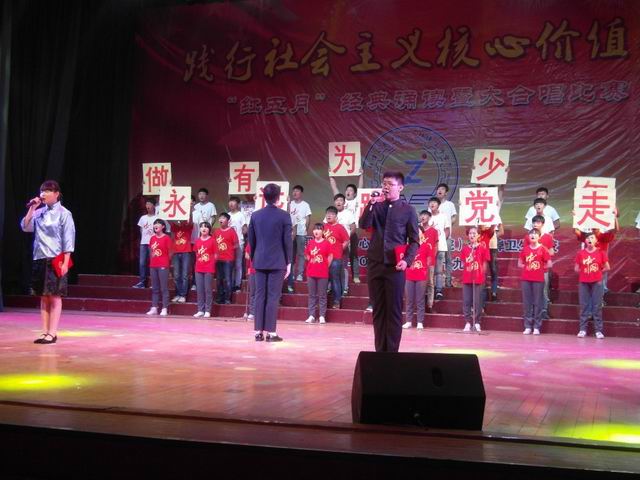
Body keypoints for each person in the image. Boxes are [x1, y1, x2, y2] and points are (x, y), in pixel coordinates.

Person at [359, 171, 419, 352]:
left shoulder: (408, 210)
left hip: (395, 267)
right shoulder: (376, 206)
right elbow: (363, 224)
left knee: (393, 311)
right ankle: (380, 353)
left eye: (390, 184)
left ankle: (391, 354)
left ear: (400, 187)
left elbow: (414, 241)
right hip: (375, 264)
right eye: (384, 183)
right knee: (378, 310)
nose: (386, 187)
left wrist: (407, 261)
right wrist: (371, 203)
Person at [21, 180, 76, 344]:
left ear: (56, 194)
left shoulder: (64, 213)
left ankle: (53, 332)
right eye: (42, 191)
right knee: (43, 296)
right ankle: (44, 331)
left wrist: (66, 262)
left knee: (55, 296)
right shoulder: (39, 212)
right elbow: (25, 227)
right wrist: (32, 208)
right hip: (39, 257)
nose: (43, 194)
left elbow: (68, 238)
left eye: (47, 191)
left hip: (57, 258)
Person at [248, 183, 292, 342]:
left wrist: (254, 258)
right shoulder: (284, 215)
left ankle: (258, 332)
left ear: (264, 196)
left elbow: (251, 241)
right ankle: (271, 333)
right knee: (273, 296)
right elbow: (287, 241)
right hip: (277, 260)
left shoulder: (255, 215)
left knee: (259, 295)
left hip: (259, 260)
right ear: (278, 197)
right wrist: (289, 261)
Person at [573, 208, 619, 295]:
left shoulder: (603, 236)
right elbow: (576, 231)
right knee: (587, 288)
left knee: (599, 286)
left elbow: (615, 230)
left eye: (596, 225)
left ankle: (601, 298)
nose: (594, 227)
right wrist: (575, 217)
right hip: (587, 265)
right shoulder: (587, 236)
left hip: (600, 265)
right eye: (592, 225)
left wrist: (615, 217)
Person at [330, 171, 363, 284]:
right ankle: (337, 278)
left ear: (354, 193)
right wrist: (331, 175)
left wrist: (361, 175)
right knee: (338, 255)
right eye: (347, 190)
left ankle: (356, 276)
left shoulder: (355, 201)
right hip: (339, 235)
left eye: (350, 190)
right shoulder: (341, 201)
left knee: (353, 254)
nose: (348, 192)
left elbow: (360, 187)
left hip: (352, 232)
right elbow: (334, 188)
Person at [575, 232, 610, 339]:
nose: (589, 239)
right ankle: (582, 329)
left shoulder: (601, 252)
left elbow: (607, 267)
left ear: (596, 241)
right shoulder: (580, 253)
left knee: (597, 305)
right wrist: (585, 272)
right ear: (585, 241)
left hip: (597, 282)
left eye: (592, 238)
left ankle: (598, 330)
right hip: (584, 282)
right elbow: (576, 268)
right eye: (587, 238)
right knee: (584, 305)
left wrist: (597, 272)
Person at [518, 229, 552, 335]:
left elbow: (549, 264)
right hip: (526, 279)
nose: (533, 236)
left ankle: (537, 326)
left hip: (538, 279)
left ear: (539, 237)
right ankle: (528, 326)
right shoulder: (525, 249)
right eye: (531, 234)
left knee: (538, 302)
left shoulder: (543, 249)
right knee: (527, 302)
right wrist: (527, 267)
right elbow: (519, 263)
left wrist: (540, 268)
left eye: (535, 234)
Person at [460, 226, 490, 332]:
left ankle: (477, 322)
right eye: (470, 233)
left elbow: (485, 264)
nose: (472, 235)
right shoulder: (465, 249)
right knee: (467, 301)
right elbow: (464, 263)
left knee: (478, 301)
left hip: (479, 278)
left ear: (478, 236)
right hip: (467, 278)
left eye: (474, 233)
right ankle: (468, 322)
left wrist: (482, 275)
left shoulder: (482, 248)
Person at [527, 215, 555, 319]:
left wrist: (542, 250)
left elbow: (552, 252)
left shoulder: (547, 237)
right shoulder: (528, 236)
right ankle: (531, 311)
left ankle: (544, 310)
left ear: (542, 224)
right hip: (531, 269)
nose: (535, 224)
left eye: (538, 223)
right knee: (531, 291)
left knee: (543, 290)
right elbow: (525, 252)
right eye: (534, 222)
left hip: (543, 269)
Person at [399, 236, 430, 330]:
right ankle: (408, 321)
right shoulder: (408, 247)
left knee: (420, 299)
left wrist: (424, 271)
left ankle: (420, 322)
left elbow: (429, 261)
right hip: (409, 275)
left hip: (421, 276)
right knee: (409, 299)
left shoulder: (426, 246)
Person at [304, 223, 333, 324]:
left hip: (323, 273)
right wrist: (311, 261)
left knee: (322, 295)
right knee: (312, 295)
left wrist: (324, 265)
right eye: (315, 229)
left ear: (323, 231)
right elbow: (307, 254)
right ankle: (311, 315)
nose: (316, 231)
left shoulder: (327, 243)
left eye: (319, 229)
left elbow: (330, 256)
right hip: (311, 272)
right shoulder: (311, 243)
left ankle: (321, 316)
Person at [324, 206, 350, 308]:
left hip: (336, 258)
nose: (329, 216)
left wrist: (340, 249)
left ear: (336, 216)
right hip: (324, 259)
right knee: (323, 281)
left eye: (331, 214)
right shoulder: (323, 227)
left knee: (335, 279)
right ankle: (322, 302)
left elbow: (346, 240)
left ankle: (336, 302)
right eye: (327, 214)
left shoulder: (340, 227)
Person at [287, 185, 312, 291]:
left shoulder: (305, 205)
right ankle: (291, 274)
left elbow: (308, 218)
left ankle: (300, 274)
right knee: (291, 255)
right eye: (294, 191)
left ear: (301, 193)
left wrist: (305, 229)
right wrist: (287, 203)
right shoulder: (290, 204)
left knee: (301, 254)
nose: (295, 193)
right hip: (290, 233)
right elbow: (286, 214)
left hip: (301, 232)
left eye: (297, 191)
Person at [147, 219, 171, 316]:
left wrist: (166, 263)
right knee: (155, 288)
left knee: (164, 287)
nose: (155, 225)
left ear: (163, 226)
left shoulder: (166, 238)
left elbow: (171, 252)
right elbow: (151, 251)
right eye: (154, 224)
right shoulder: (152, 238)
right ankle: (154, 307)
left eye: (158, 224)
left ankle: (165, 308)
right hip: (153, 265)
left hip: (163, 265)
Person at [428, 197, 451, 300]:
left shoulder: (443, 216)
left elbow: (447, 230)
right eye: (430, 203)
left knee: (438, 270)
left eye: (434, 202)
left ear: (438, 205)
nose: (432, 204)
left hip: (441, 246)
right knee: (429, 270)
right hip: (429, 248)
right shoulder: (427, 217)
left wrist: (441, 239)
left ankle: (439, 290)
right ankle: (430, 290)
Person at [213, 212, 238, 305]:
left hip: (228, 259)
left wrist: (228, 249)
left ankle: (227, 298)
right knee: (219, 279)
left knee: (227, 279)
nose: (221, 219)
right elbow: (213, 244)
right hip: (218, 259)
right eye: (220, 218)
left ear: (228, 221)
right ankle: (220, 297)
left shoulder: (232, 231)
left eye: (223, 218)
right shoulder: (216, 232)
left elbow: (236, 245)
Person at [193, 222, 217, 318]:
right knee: (200, 290)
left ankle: (207, 310)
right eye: (202, 227)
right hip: (199, 268)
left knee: (208, 290)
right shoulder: (197, 241)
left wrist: (211, 263)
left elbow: (216, 254)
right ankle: (200, 310)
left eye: (206, 227)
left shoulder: (212, 240)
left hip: (209, 268)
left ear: (209, 230)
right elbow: (196, 253)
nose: (204, 228)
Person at [133, 197, 158, 288]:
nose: (148, 206)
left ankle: (154, 283)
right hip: (143, 243)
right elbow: (141, 229)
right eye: (147, 204)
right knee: (142, 263)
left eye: (150, 204)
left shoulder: (157, 218)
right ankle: (142, 282)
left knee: (153, 263)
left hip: (153, 244)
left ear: (154, 206)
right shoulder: (143, 218)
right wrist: (143, 239)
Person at [436, 183, 457, 288]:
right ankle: (437, 283)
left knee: (448, 259)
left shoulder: (450, 204)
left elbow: (454, 217)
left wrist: (448, 223)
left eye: (442, 189)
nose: (440, 191)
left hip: (447, 236)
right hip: (436, 238)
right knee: (437, 260)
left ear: (446, 193)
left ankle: (448, 281)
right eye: (438, 189)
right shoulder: (433, 204)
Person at [419, 210, 438, 313]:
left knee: (430, 282)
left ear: (429, 217)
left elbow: (436, 246)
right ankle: (419, 305)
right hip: (418, 261)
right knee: (419, 283)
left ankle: (430, 305)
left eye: (425, 215)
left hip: (430, 260)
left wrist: (432, 257)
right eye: (421, 215)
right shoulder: (417, 230)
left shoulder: (434, 231)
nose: (423, 217)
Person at [170, 218, 193, 303]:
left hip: (186, 252)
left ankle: (183, 295)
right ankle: (177, 294)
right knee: (176, 275)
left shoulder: (188, 226)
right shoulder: (175, 226)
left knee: (184, 275)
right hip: (176, 252)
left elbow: (191, 221)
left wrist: (190, 211)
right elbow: (168, 219)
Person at [228, 196, 248, 292]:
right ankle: (230, 283)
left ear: (238, 204)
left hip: (239, 242)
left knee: (238, 264)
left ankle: (237, 284)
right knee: (229, 263)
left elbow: (245, 229)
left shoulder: (241, 215)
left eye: (233, 202)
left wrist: (241, 233)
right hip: (228, 244)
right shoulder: (227, 215)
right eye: (230, 202)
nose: (231, 203)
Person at [243, 242, 256, 322]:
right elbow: (246, 255)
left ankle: (259, 312)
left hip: (262, 271)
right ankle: (252, 312)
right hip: (252, 270)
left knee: (260, 293)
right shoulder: (251, 242)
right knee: (252, 292)